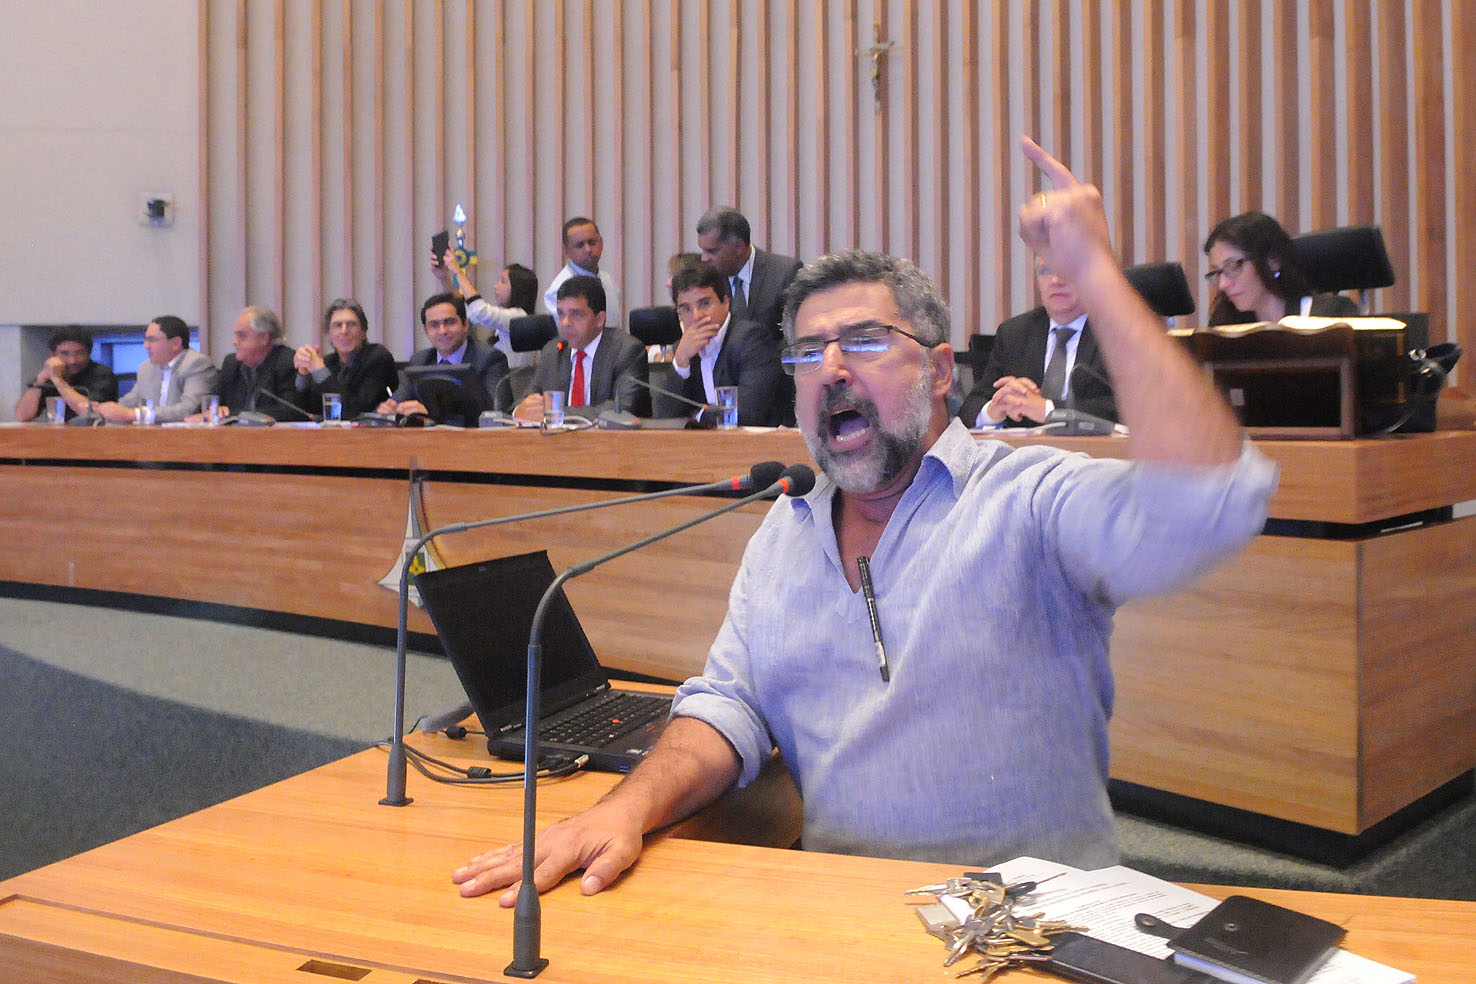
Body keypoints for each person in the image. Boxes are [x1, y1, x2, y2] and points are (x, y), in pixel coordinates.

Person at [452, 139, 1278, 903]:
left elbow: (1208, 505)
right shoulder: (786, 530)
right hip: (841, 923)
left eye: (866, 342)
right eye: (808, 353)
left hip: (1033, 931)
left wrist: (1096, 275)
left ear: (942, 370)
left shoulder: (1025, 498)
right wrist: (624, 809)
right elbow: (729, 707)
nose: (832, 369)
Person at [958, 257, 1117, 428]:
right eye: (1045, 271)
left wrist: (1048, 409)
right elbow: (970, 407)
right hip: (1023, 445)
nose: (1056, 280)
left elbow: (1125, 408)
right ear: (1038, 282)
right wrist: (996, 408)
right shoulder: (1014, 333)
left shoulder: (1118, 332)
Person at [653, 263, 785, 427]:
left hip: (756, 441)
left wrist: (697, 416)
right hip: (701, 443)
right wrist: (680, 363)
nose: (696, 316)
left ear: (725, 302)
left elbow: (747, 414)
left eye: (704, 304)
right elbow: (665, 419)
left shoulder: (752, 340)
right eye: (686, 309)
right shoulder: (683, 350)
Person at [514, 275, 650, 421]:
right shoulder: (552, 352)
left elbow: (622, 409)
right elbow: (527, 399)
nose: (565, 323)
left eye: (576, 314)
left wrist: (556, 412)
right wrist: (520, 410)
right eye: (561, 314)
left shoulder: (626, 351)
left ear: (599, 320)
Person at [1203, 211, 1360, 326]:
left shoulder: (1333, 316)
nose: (1223, 284)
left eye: (1233, 267)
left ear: (1273, 261)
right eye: (1218, 272)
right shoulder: (1224, 325)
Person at [377, 292, 510, 422]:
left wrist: (430, 414)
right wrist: (391, 408)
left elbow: (493, 412)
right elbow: (399, 399)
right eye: (434, 325)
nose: (442, 331)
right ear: (426, 331)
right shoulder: (419, 360)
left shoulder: (490, 358)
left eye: (449, 322)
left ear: (465, 325)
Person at [697, 206, 804, 339]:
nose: (704, 259)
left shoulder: (785, 272)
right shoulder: (707, 279)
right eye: (702, 250)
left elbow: (795, 332)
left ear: (739, 247)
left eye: (711, 251)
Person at [93, 316, 218, 424]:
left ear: (175, 343)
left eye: (152, 340)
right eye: (146, 339)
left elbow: (188, 410)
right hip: (152, 436)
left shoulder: (197, 364)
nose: (146, 345)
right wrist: (98, 409)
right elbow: (129, 402)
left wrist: (135, 414)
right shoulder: (146, 368)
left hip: (187, 437)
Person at [433, 248, 540, 369]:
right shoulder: (508, 317)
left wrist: (458, 272)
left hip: (511, 379)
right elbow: (464, 308)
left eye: (503, 281)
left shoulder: (519, 317)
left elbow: (480, 311)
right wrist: (444, 278)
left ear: (517, 288)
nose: (496, 286)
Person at [293, 299, 399, 419]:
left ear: (363, 332)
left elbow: (354, 411)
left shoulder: (377, 357)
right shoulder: (329, 362)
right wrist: (304, 375)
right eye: (338, 325)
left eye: (352, 324)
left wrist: (320, 371)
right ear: (329, 335)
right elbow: (303, 413)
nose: (344, 331)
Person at [214, 306, 300, 421]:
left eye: (242, 336)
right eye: (235, 335)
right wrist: (213, 411)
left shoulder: (287, 361)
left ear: (265, 338)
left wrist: (231, 414)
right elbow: (207, 403)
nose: (234, 342)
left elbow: (288, 411)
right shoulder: (231, 364)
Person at [14, 328, 117, 422]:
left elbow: (91, 411)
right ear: (53, 354)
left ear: (89, 353)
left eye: (79, 353)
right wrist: (40, 379)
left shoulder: (102, 373)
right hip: (58, 433)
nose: (72, 360)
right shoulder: (50, 375)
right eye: (64, 353)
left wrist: (58, 380)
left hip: (94, 433)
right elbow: (22, 416)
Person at [543, 216, 623, 329]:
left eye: (592, 242)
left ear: (601, 243)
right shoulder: (558, 289)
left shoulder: (607, 280)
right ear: (566, 251)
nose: (588, 249)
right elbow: (567, 334)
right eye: (580, 245)